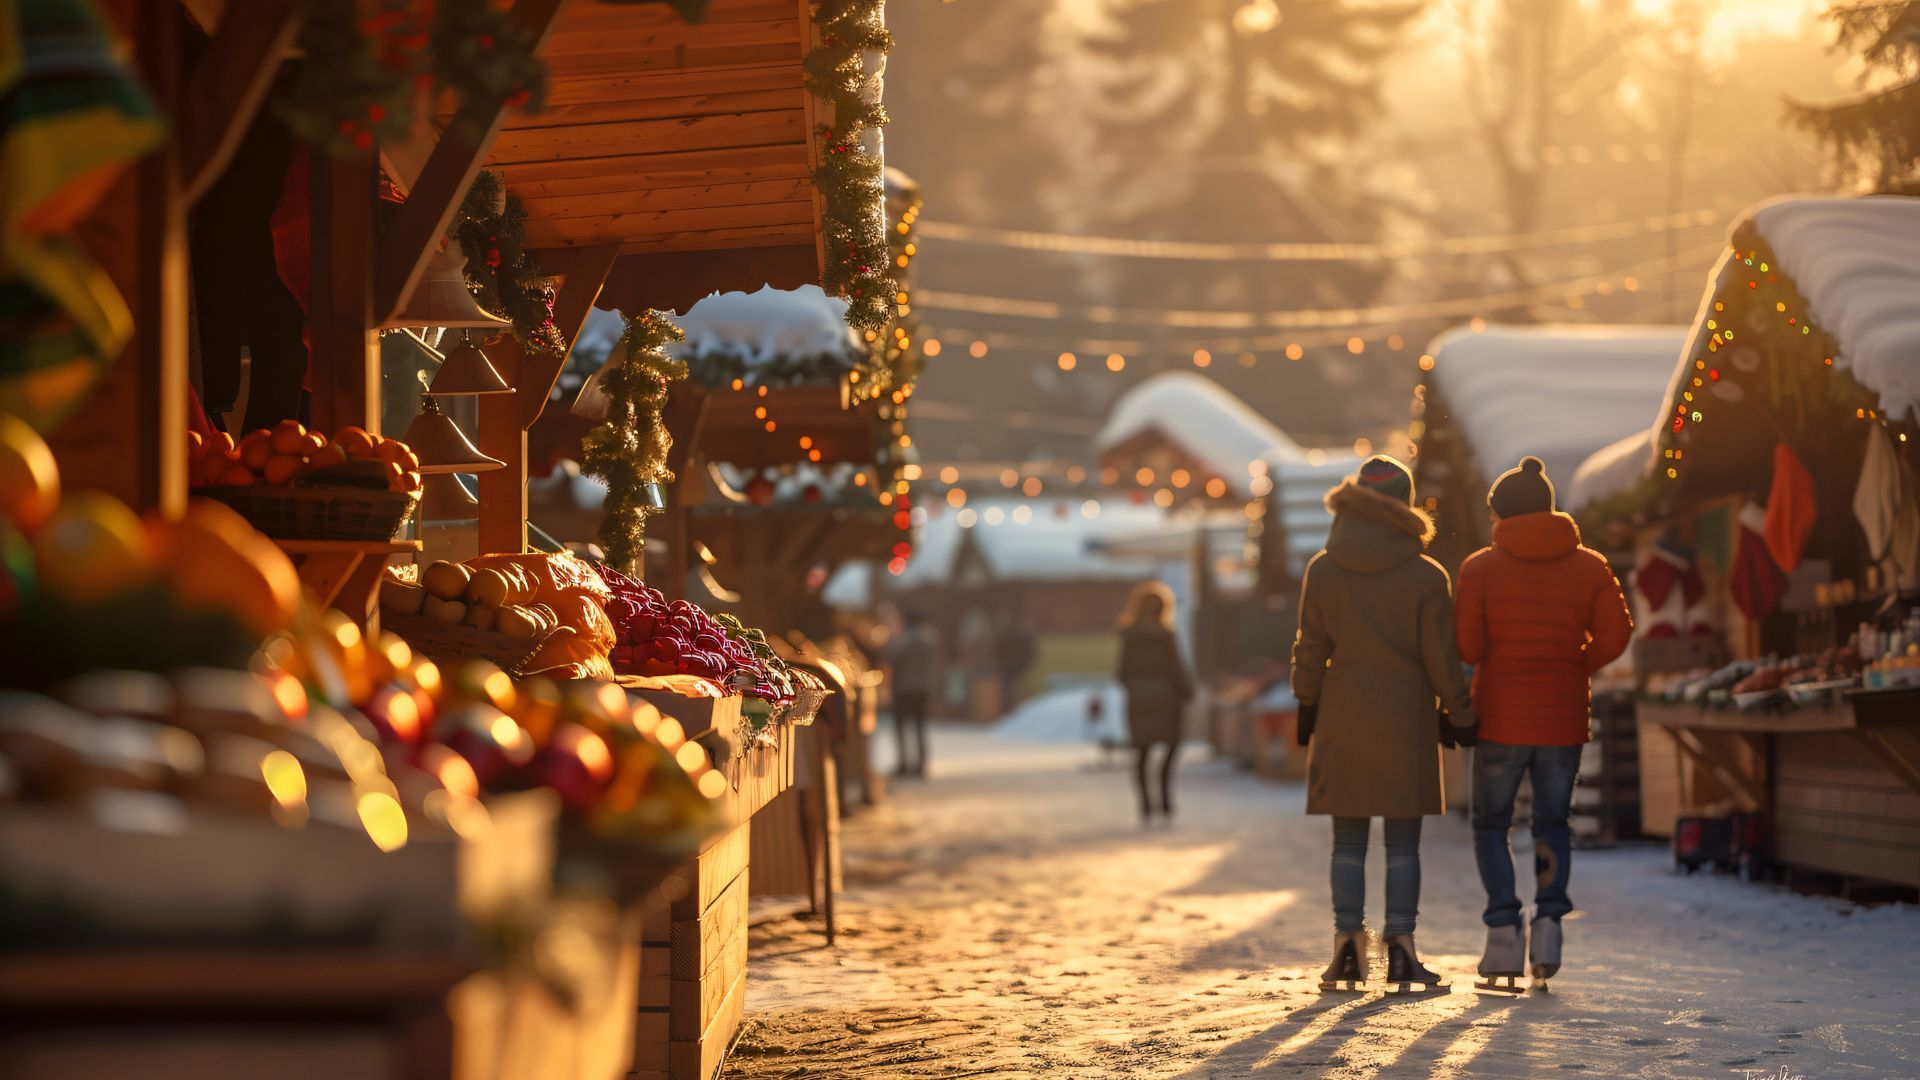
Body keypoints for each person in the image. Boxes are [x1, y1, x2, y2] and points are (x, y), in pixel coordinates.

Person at [1290, 455, 1476, 992]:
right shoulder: (1426, 575)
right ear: (1405, 502)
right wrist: (1459, 715)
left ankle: (1347, 948)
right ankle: (1401, 950)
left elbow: (1310, 647)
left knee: (1346, 843)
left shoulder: (1322, 569)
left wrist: (1308, 703)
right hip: (1406, 718)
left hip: (1342, 715)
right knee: (1403, 845)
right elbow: (1441, 657)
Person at [1456, 456, 1632, 988]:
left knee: (1492, 824)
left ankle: (1504, 932)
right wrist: (1576, 660)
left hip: (1499, 717)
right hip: (1562, 716)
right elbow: (1618, 633)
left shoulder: (1479, 568)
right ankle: (1550, 920)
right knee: (1552, 823)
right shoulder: (1591, 566)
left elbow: (1467, 645)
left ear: (1500, 513)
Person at [1115, 582, 1191, 822]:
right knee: (1171, 747)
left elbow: (1121, 672)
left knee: (1141, 752)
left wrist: (1136, 688)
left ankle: (1145, 805)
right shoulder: (1165, 635)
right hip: (1167, 699)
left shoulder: (1129, 636)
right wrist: (1187, 692)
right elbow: (1175, 669)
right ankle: (1166, 801)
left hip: (1138, 700)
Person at [883, 610, 942, 778]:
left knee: (901, 728)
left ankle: (903, 764)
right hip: (924, 688)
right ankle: (921, 765)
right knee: (920, 726)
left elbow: (890, 655)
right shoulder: (931, 639)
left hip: (904, 688)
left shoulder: (904, 639)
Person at [993, 611, 1037, 708]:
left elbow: (1030, 652)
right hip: (1011, 666)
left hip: (1015, 666)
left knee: (1012, 687)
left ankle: (1014, 706)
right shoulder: (1004, 636)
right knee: (1011, 687)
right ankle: (1013, 706)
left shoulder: (1012, 636)